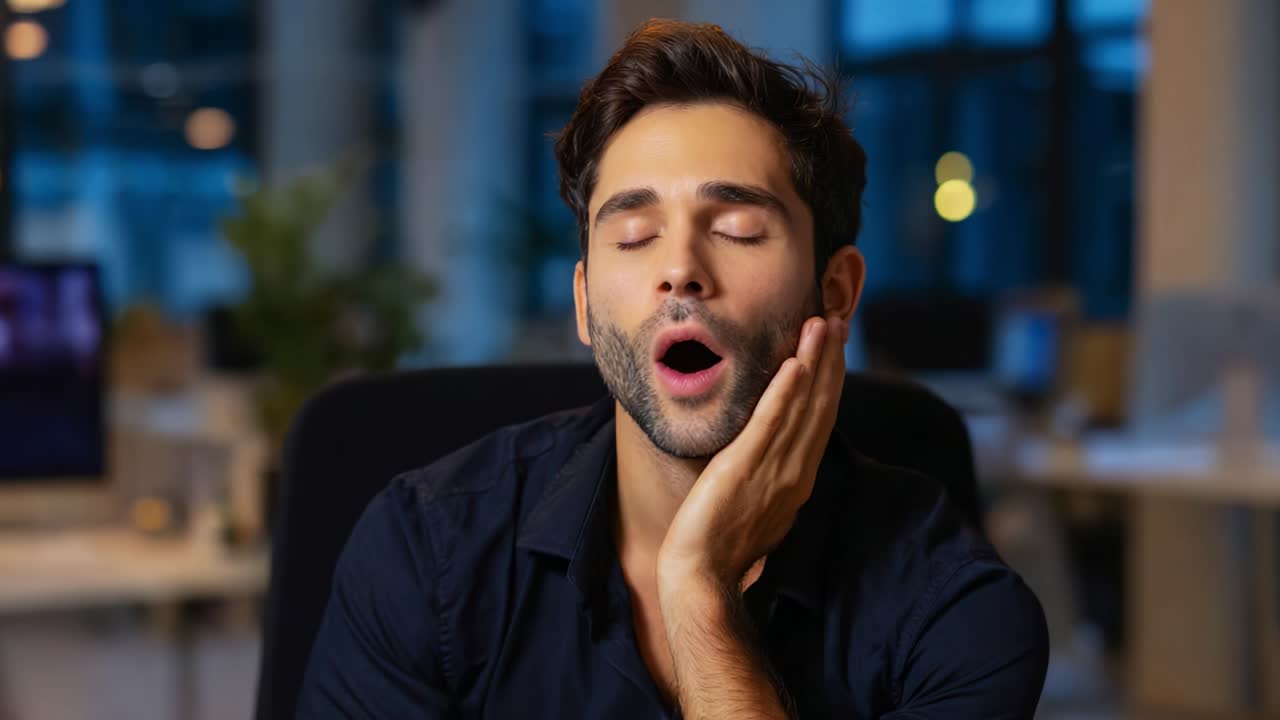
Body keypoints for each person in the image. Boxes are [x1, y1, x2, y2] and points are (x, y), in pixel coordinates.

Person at [298, 19, 1048, 719]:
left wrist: (700, 592)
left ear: (837, 293)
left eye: (737, 228)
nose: (680, 269)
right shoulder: (423, 553)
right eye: (633, 235)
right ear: (586, 305)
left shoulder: (954, 610)